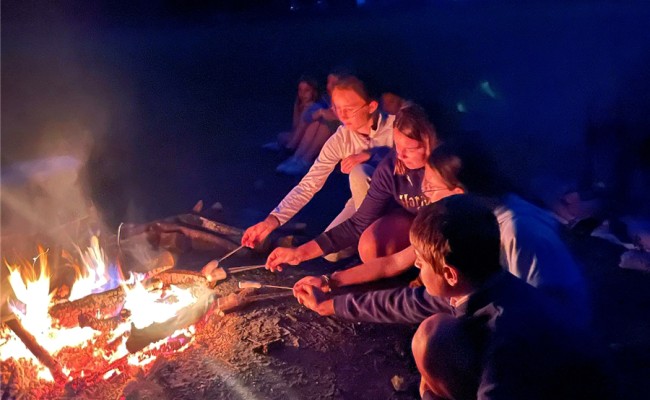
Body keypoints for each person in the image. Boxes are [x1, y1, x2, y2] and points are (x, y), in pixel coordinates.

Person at [293, 139, 591, 327]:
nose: (423, 193)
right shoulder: (470, 217)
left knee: (436, 333)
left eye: (431, 188)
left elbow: (542, 317)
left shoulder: (517, 232)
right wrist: (329, 284)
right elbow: (394, 263)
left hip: (545, 341)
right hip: (514, 324)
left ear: (458, 192)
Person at [262, 102, 437, 270]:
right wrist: (299, 253)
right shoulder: (390, 165)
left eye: (411, 149)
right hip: (397, 214)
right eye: (397, 146)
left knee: (432, 247)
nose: (401, 155)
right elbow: (357, 223)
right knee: (364, 247)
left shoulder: (444, 169)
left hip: (437, 230)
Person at [242, 75, 395, 259]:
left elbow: (420, 156)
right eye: (337, 109)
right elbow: (308, 185)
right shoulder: (341, 138)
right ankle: (368, 241)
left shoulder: (396, 125)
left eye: (349, 109)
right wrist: (271, 222)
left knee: (359, 172)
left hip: (398, 201)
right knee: (331, 254)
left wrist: (372, 155)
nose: (342, 116)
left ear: (371, 106)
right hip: (363, 202)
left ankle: (376, 244)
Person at [277, 72, 343, 175]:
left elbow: (342, 120)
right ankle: (298, 157)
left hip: (339, 137)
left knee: (324, 123)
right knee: (316, 120)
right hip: (318, 134)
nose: (329, 85)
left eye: (333, 83)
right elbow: (301, 122)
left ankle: (305, 160)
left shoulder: (344, 99)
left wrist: (322, 113)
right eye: (328, 82)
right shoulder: (326, 98)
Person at [263, 75, 320, 153]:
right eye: (300, 90)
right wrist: (296, 108)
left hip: (307, 141)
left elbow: (303, 129)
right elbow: (295, 125)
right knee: (281, 136)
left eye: (307, 90)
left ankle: (289, 148)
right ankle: (282, 146)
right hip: (297, 136)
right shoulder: (300, 104)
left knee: (284, 138)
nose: (303, 94)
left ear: (313, 91)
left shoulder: (314, 107)